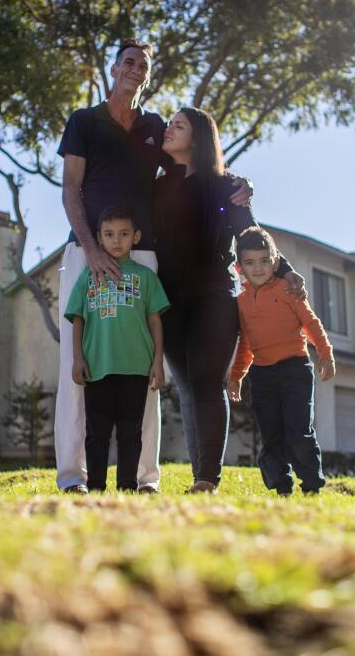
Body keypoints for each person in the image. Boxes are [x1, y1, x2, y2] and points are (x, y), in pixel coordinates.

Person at [55, 38, 254, 494]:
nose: (134, 69)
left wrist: (237, 184)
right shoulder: (84, 122)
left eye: (142, 65)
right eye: (128, 61)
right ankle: (73, 477)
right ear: (113, 68)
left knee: (143, 368)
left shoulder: (154, 127)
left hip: (144, 258)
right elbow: (71, 190)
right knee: (76, 365)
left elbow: (198, 165)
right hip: (86, 251)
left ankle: (145, 478)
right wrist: (93, 249)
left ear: (147, 75)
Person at [152, 107, 305, 494]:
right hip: (168, 302)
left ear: (200, 138)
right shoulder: (156, 187)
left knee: (206, 384)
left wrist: (286, 271)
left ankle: (208, 479)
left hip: (213, 299)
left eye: (179, 125)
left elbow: (249, 233)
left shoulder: (223, 187)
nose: (169, 129)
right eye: (169, 124)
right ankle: (199, 476)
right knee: (187, 387)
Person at [65, 205, 169, 492]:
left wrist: (158, 362)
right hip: (97, 368)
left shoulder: (146, 276)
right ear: (99, 238)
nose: (116, 240)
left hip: (136, 368)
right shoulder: (88, 276)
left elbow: (155, 321)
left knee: (130, 433)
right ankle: (96, 487)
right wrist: (77, 359)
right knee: (96, 432)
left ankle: (127, 487)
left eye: (123, 234)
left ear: (135, 237)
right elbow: (77, 319)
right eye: (109, 234)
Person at [228, 226, 336, 496]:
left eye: (265, 261)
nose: (259, 268)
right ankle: (281, 489)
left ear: (276, 261)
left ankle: (312, 487)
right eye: (250, 263)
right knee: (271, 436)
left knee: (299, 433)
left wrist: (325, 353)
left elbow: (311, 323)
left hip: (295, 371)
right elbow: (246, 344)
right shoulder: (240, 302)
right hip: (263, 376)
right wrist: (236, 376)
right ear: (240, 268)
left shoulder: (289, 289)